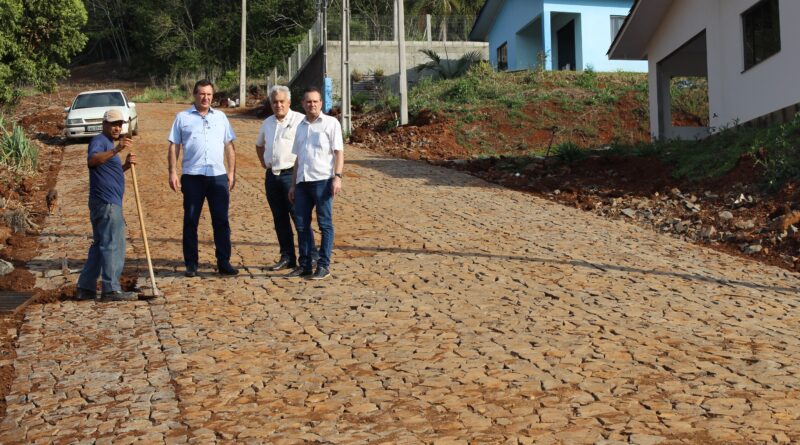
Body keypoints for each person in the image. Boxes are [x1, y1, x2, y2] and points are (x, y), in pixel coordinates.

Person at [168, 79, 239, 277]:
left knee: (221, 220)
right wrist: (172, 171)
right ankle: (191, 263)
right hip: (192, 177)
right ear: (195, 95)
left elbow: (229, 146)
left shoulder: (221, 117)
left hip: (217, 177)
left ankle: (223, 261)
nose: (205, 98)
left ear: (213, 96)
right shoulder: (182, 118)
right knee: (191, 220)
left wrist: (231, 172)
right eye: (202, 94)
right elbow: (174, 146)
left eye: (209, 94)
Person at [76, 109, 138, 301]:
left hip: (103, 202)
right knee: (113, 244)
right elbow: (92, 161)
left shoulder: (107, 145)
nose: (116, 128)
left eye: (119, 124)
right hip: (107, 203)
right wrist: (117, 149)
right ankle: (111, 289)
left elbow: (108, 172)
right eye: (113, 124)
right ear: (104, 124)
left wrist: (125, 166)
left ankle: (85, 288)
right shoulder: (99, 141)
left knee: (100, 245)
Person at [256, 85, 319, 271]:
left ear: (289, 102)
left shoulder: (300, 120)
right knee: (279, 218)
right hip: (272, 176)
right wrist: (264, 162)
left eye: (282, 101)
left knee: (299, 217)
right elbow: (259, 145)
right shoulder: (267, 122)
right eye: (275, 102)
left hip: (292, 175)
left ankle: (311, 256)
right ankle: (287, 256)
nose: (278, 105)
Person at [288, 87, 344, 280]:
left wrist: (337, 176)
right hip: (303, 183)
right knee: (302, 225)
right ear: (303, 104)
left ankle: (323, 265)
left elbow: (339, 152)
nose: (312, 104)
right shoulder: (301, 126)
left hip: (323, 182)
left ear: (321, 103)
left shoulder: (331, 124)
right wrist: (293, 184)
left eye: (315, 101)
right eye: (308, 101)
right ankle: (305, 264)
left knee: (325, 224)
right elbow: (297, 158)